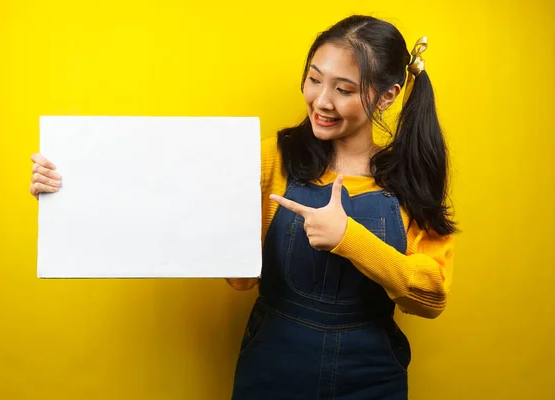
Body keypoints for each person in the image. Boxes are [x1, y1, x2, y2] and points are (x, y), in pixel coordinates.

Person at [29, 14, 456, 400]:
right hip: (273, 365)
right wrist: (67, 187)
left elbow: (431, 296)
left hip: (372, 376)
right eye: (314, 79)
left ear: (387, 97)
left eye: (343, 89)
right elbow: (237, 272)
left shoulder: (410, 177)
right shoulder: (273, 158)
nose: (321, 101)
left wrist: (349, 238)